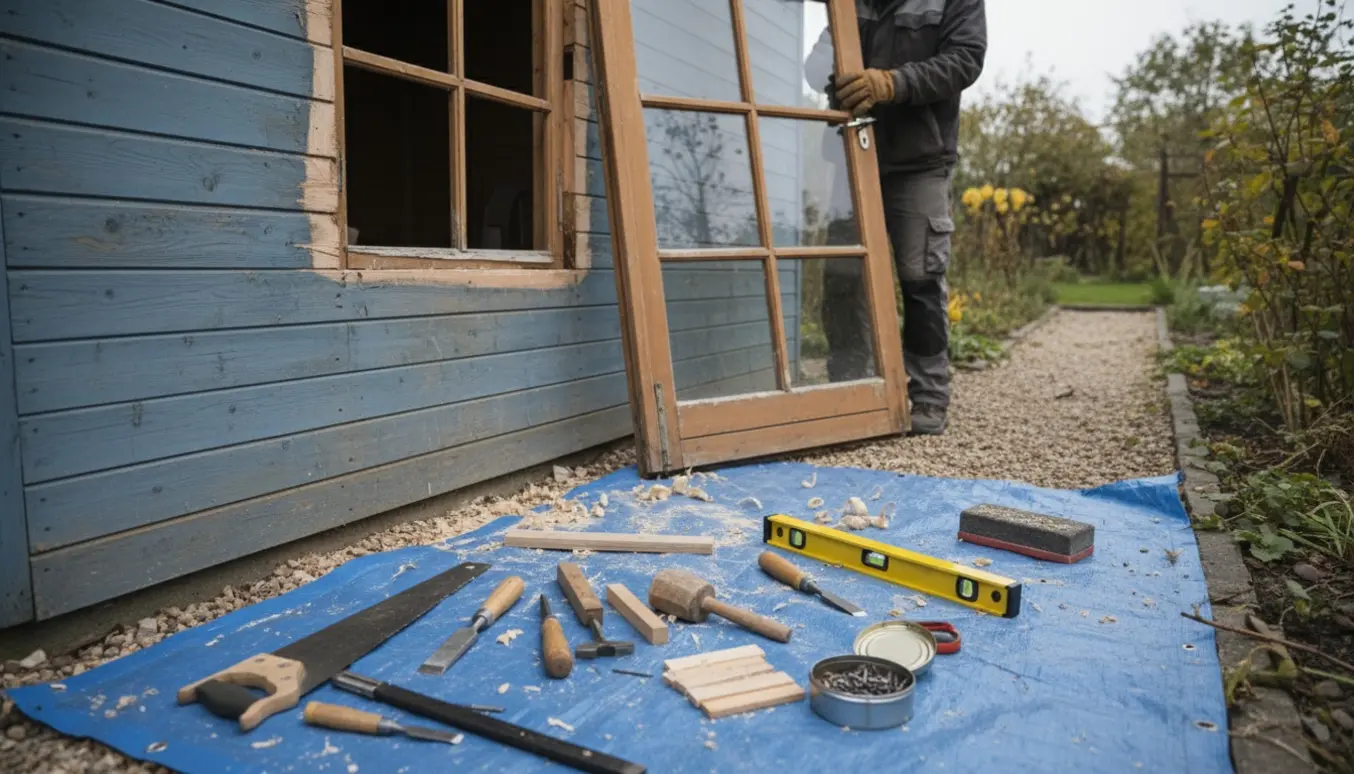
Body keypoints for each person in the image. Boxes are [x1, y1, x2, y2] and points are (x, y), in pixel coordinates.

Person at [804, 0, 986, 435]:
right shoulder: (850, 3)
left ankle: (927, 395)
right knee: (844, 278)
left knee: (921, 277)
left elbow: (965, 59)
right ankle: (850, 390)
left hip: (921, 160)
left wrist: (891, 83)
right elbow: (814, 68)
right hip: (854, 152)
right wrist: (838, 77)